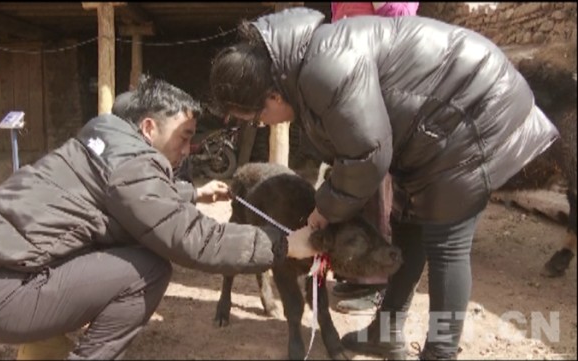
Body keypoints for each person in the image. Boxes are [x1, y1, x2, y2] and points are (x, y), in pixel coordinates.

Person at [209, 7, 558, 360]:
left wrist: (321, 212)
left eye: (256, 117)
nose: (264, 124)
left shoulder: (324, 67)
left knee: (446, 244)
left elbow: (366, 155)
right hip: (430, 130)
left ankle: (440, 352)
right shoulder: (307, 68)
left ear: (272, 96)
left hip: (471, 114)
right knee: (408, 228)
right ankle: (385, 333)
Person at [0, 74, 318, 360]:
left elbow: (124, 201)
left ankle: (43, 346)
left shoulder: (106, 142)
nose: (186, 150)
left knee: (120, 244)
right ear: (149, 128)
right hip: (6, 298)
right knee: (149, 268)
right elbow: (195, 240)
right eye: (184, 137)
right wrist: (283, 244)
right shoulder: (133, 168)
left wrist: (192, 193)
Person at [329, 1, 420, 313]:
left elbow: (399, 22)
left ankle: (378, 278)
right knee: (354, 182)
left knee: (377, 182)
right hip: (352, 84)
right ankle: (355, 271)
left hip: (376, 83)